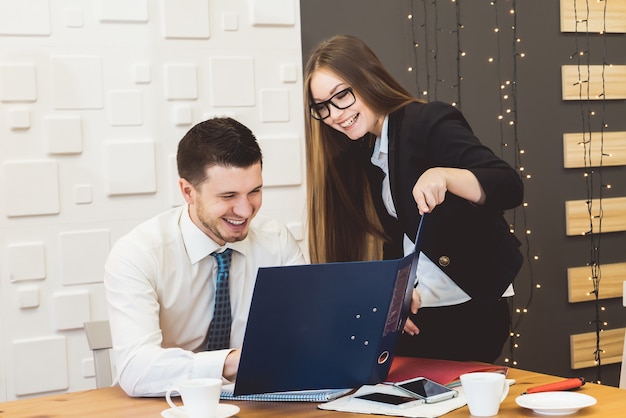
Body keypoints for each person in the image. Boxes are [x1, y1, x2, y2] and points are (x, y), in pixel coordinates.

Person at [303, 34, 523, 363]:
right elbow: (404, 240)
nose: (334, 114)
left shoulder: (426, 121)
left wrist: (446, 176)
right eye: (322, 106)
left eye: (342, 96)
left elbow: (508, 185)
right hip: (421, 310)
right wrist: (398, 295)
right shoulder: (370, 150)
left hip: (470, 309)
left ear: (368, 79)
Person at [104, 117, 305, 397]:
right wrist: (230, 362)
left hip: (254, 403)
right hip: (162, 405)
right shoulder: (138, 254)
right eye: (228, 195)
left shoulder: (277, 241)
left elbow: (306, 334)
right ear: (188, 191)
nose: (245, 210)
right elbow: (136, 370)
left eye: (255, 191)